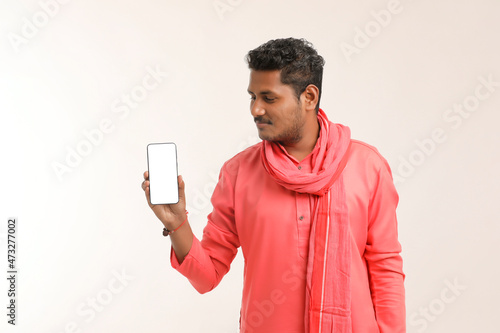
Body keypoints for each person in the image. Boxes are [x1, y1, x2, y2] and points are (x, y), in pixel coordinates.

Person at [141, 37, 405, 333]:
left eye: (269, 98)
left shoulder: (366, 166)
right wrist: (178, 224)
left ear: (309, 97)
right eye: (252, 97)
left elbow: (385, 268)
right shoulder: (239, 172)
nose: (255, 109)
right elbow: (207, 276)